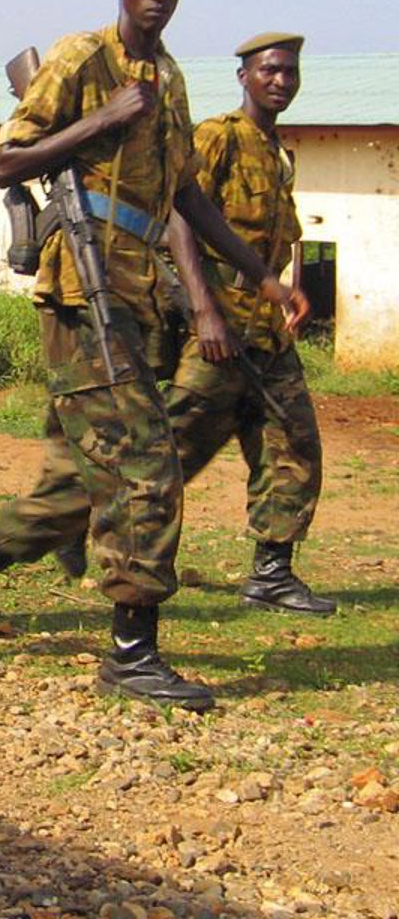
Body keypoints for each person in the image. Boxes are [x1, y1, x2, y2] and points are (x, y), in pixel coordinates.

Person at [0, 0, 309, 712]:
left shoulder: (169, 79)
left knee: (93, 470)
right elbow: (8, 162)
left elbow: (187, 198)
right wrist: (100, 120)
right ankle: (132, 654)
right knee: (147, 465)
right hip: (81, 292)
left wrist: (261, 277)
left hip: (133, 297)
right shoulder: (82, 58)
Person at [164, 33, 333, 613]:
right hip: (217, 328)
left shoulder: (278, 152)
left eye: (290, 72)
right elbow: (178, 217)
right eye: (269, 70)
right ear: (244, 77)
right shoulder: (219, 136)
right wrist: (204, 311)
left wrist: (282, 292)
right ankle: (93, 538)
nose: (281, 81)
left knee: (295, 444)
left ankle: (272, 574)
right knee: (171, 453)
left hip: (267, 332)